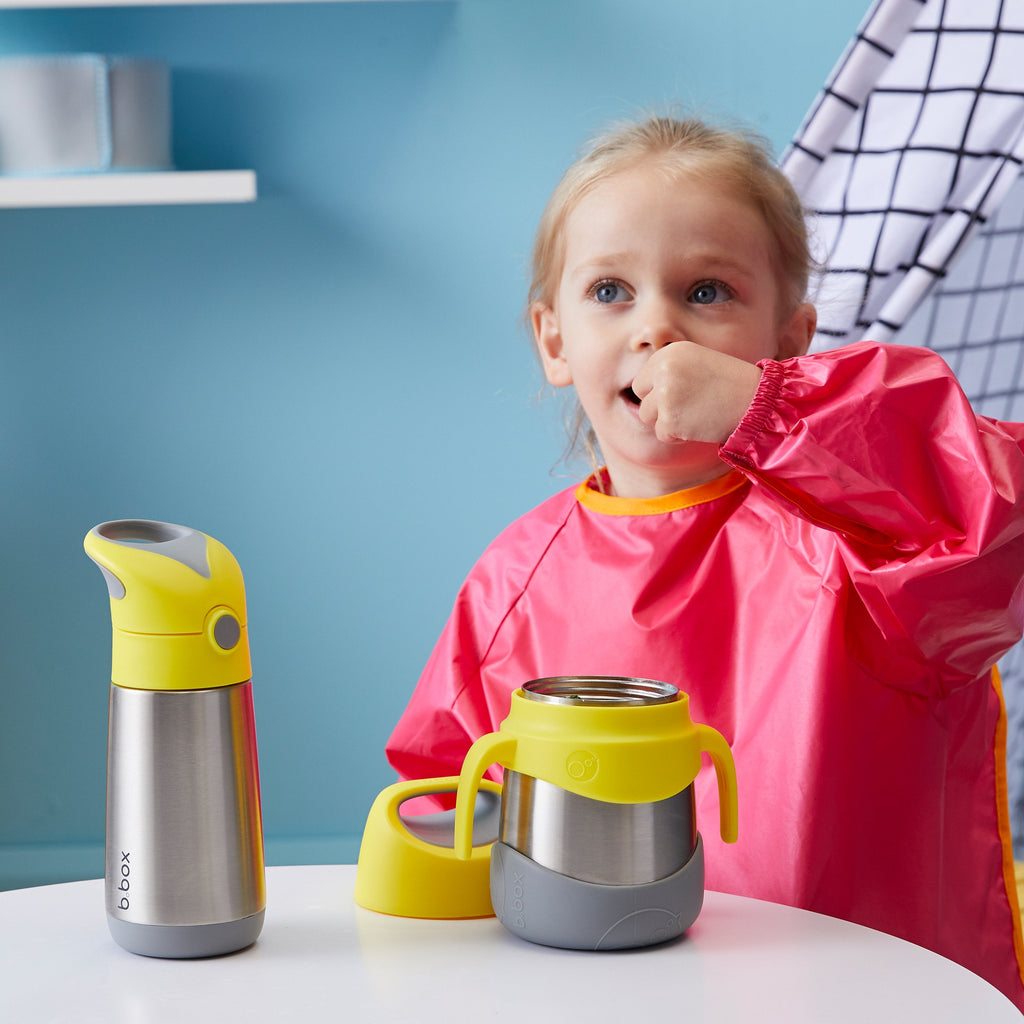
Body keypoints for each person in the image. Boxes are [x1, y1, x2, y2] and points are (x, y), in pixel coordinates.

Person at [386, 115, 1024, 1008]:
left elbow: (1000, 511)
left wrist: (775, 412)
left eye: (709, 292)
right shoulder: (514, 577)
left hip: (868, 999)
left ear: (791, 342)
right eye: (610, 290)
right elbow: (445, 806)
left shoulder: (864, 539)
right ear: (555, 340)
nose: (656, 326)